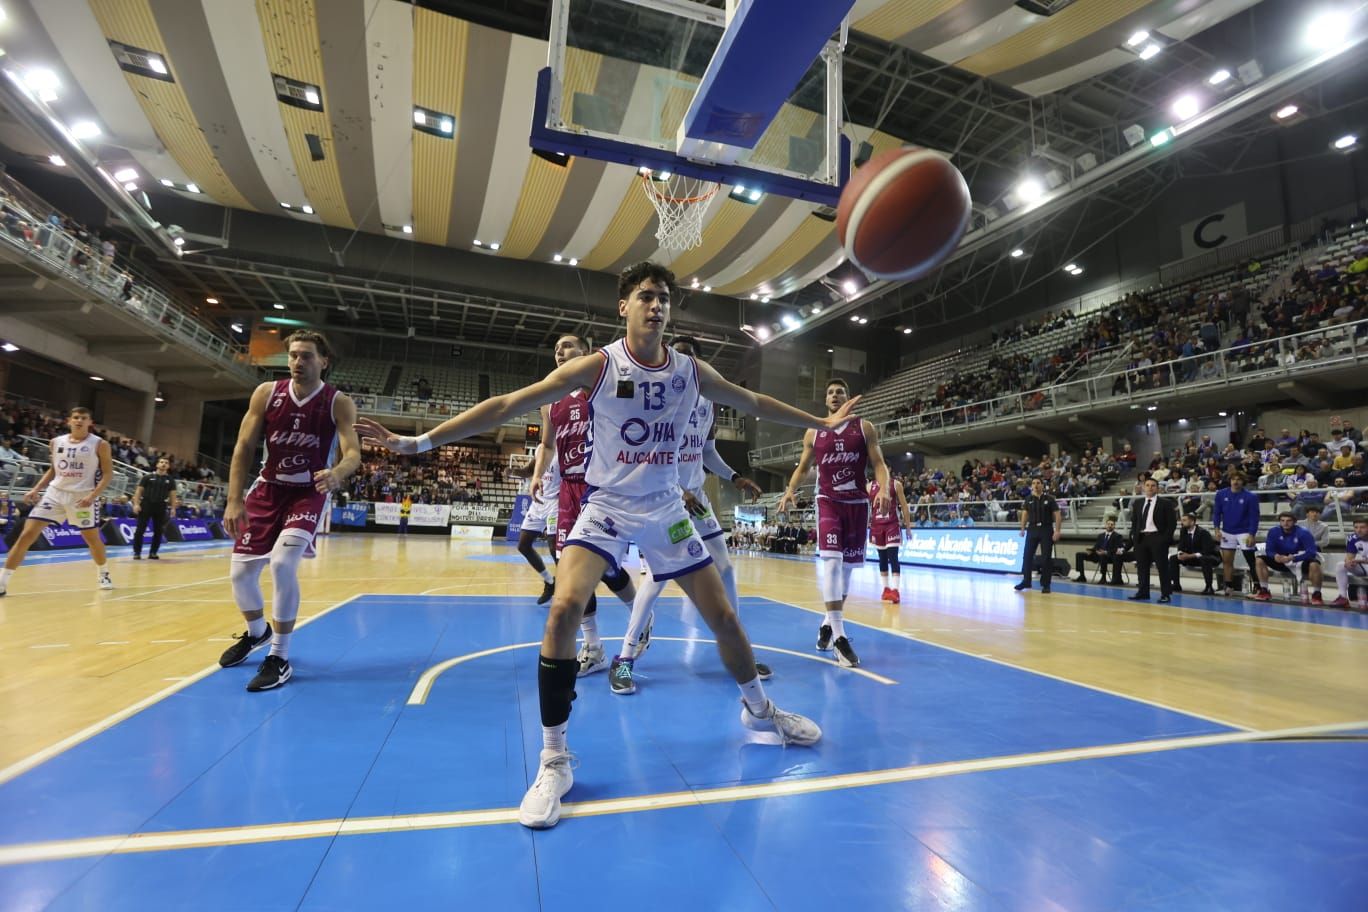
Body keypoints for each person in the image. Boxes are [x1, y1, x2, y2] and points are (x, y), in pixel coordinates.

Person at [358, 261, 837, 830]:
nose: (655, 306)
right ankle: (555, 757)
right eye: (644, 297)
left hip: (666, 509)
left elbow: (754, 401)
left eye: (662, 298)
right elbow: (509, 404)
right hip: (606, 505)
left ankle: (761, 713)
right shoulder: (601, 365)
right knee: (562, 609)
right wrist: (419, 442)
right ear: (623, 307)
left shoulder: (690, 371)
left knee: (725, 619)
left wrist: (820, 423)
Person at [612, 335, 767, 695]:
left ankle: (736, 647)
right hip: (661, 500)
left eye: (687, 357)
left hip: (697, 501)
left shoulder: (706, 403)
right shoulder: (653, 403)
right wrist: (678, 491)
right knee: (655, 582)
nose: (680, 362)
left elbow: (707, 452)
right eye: (675, 355)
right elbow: (644, 455)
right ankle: (624, 658)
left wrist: (734, 476)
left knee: (726, 569)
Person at [216, 331, 362, 691]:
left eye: (306, 356)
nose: (298, 362)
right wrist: (234, 499)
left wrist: (338, 473)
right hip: (267, 488)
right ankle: (257, 633)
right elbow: (244, 446)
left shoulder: (337, 402)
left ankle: (279, 657)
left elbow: (353, 453)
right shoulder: (266, 393)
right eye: (293, 356)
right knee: (241, 576)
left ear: (323, 361)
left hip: (308, 491)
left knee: (282, 564)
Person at [532, 332, 639, 675]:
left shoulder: (600, 385)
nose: (559, 353)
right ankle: (593, 647)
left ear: (585, 352)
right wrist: (537, 473)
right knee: (568, 570)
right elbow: (547, 445)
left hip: (600, 488)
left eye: (567, 346)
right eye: (555, 350)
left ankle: (641, 612)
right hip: (568, 491)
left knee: (606, 569)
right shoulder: (550, 400)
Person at [776, 378, 893, 667]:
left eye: (840, 392)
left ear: (848, 397)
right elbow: (803, 467)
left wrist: (886, 489)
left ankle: (828, 622)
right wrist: (790, 489)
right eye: (830, 393)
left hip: (857, 503)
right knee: (831, 563)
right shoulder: (814, 431)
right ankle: (840, 637)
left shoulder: (864, 428)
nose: (835, 396)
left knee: (848, 571)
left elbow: (879, 464)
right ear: (826, 401)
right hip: (827, 501)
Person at [0, 406, 114, 596]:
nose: (79, 421)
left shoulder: (100, 444)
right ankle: (3, 582)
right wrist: (36, 489)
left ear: (90, 423)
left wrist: (92, 496)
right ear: (69, 420)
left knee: (92, 539)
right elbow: (54, 470)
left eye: (83, 418)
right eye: (76, 417)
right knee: (26, 534)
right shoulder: (55, 442)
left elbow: (108, 474)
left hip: (82, 497)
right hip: (55, 493)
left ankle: (104, 573)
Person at [515, 453, 558, 604]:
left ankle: (568, 589)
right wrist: (514, 472)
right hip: (538, 501)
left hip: (556, 502)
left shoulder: (565, 447)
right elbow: (529, 470)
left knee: (554, 548)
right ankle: (550, 582)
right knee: (523, 545)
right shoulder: (542, 449)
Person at [1253, 512, 1323, 603]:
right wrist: (1275, 556)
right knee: (1259, 559)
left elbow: (1312, 552)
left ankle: (1317, 594)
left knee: (1314, 564)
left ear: (1294, 522)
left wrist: (1294, 558)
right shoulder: (1273, 531)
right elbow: (1269, 550)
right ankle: (1264, 590)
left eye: (1289, 521)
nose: (1285, 523)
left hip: (1298, 560)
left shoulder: (1303, 532)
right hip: (1281, 560)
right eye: (1282, 521)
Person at [1128, 477, 1177, 602]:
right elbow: (1135, 522)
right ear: (1144, 487)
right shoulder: (1138, 503)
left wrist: (1164, 539)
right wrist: (1134, 535)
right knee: (1142, 567)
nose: (1150, 487)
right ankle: (1143, 592)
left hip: (1157, 537)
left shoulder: (1165, 503)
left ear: (1158, 488)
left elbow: (1172, 524)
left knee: (1162, 567)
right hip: (1141, 538)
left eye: (1153, 485)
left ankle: (1165, 594)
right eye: (1148, 485)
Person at [1212, 472, 1261, 596]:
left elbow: (1254, 517)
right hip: (1227, 531)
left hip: (1244, 532)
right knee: (1227, 561)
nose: (1236, 481)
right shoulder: (1221, 494)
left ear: (1243, 481)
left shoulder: (1251, 496)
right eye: (1233, 479)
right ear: (1230, 480)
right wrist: (1217, 529)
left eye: (1239, 479)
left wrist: (1252, 534)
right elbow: (1217, 513)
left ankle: (1258, 587)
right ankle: (1229, 586)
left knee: (1251, 561)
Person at [868, 474, 912, 603]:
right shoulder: (870, 486)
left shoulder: (896, 484)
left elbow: (904, 506)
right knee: (882, 558)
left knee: (893, 557)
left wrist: (908, 527)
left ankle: (896, 590)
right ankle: (886, 589)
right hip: (876, 526)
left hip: (892, 525)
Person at [1015, 478, 1060, 593]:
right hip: (1032, 528)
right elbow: (1025, 515)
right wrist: (1022, 528)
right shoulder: (1028, 499)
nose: (1036, 485)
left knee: (1046, 558)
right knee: (1027, 556)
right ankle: (1026, 581)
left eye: (1038, 483)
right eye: (1034, 483)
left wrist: (1057, 530)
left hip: (1046, 528)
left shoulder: (1049, 499)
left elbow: (1057, 515)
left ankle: (1045, 584)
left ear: (1042, 485)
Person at [131, 456, 179, 559]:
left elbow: (173, 496)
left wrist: (173, 508)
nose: (163, 464)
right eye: (161, 462)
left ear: (168, 466)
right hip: (146, 505)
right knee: (140, 530)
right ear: (157, 464)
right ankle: (137, 553)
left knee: (158, 531)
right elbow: (138, 491)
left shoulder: (170, 480)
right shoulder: (147, 477)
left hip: (161, 506)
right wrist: (136, 504)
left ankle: (153, 552)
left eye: (166, 463)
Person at [1168, 513, 1219, 594]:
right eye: (1181, 520)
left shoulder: (1203, 532)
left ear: (1192, 522)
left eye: (1184, 520)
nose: (1182, 522)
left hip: (1210, 557)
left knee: (1204, 559)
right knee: (1173, 558)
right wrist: (1181, 554)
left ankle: (1209, 587)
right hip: (1192, 557)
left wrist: (1189, 556)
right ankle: (1176, 584)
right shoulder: (1183, 531)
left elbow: (1206, 551)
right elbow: (1180, 546)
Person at [1071, 517, 1126, 584]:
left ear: (1114, 526)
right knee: (1079, 554)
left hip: (1109, 556)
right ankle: (1081, 576)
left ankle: (1103, 577)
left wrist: (1106, 552)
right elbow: (1096, 546)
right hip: (1097, 554)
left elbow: (1118, 548)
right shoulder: (1101, 535)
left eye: (1112, 524)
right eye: (1108, 524)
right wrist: (1092, 550)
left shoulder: (1117, 536)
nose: (1110, 526)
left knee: (1102, 556)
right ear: (1105, 525)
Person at [1330, 518, 1368, 609]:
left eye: (1362, 527)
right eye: (1356, 527)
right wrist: (1349, 562)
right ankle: (1343, 598)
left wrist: (1358, 561)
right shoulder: (1352, 538)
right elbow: (1349, 557)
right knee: (1341, 565)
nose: (1359, 530)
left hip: (1364, 563)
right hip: (1365, 566)